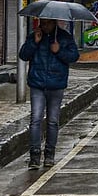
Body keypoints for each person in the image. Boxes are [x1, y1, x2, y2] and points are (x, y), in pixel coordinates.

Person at [19, 18, 80, 169]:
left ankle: (49, 154)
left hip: (56, 84)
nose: (45, 26)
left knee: (52, 121)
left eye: (48, 23)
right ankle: (34, 156)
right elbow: (23, 55)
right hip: (37, 84)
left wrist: (58, 50)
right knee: (36, 119)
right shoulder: (34, 36)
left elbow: (74, 56)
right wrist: (34, 42)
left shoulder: (64, 37)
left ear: (54, 23)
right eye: (43, 23)